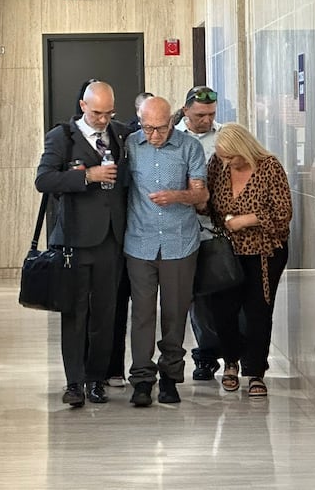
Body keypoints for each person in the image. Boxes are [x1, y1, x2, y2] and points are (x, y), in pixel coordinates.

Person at [35, 81, 130, 408]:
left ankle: (96, 379)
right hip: (74, 240)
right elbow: (43, 180)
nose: (103, 119)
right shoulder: (62, 137)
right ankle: (74, 382)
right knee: (75, 314)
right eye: (97, 112)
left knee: (106, 314)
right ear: (83, 106)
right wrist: (86, 177)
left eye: (109, 112)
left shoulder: (119, 134)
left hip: (110, 239)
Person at [124, 96, 208, 406]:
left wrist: (178, 195)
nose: (154, 135)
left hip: (180, 243)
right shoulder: (131, 145)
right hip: (140, 242)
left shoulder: (190, 147)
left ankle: (170, 377)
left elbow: (202, 194)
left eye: (160, 128)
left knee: (174, 314)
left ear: (172, 121)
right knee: (143, 314)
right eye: (147, 128)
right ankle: (142, 379)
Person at [201, 123, 292, 397]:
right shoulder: (217, 166)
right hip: (226, 253)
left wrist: (245, 221)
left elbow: (283, 213)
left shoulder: (269, 167)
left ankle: (255, 371)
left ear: (244, 149)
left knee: (258, 312)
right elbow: (208, 204)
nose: (227, 162)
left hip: (264, 252)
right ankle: (230, 363)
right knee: (222, 311)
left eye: (232, 157)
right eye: (223, 157)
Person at [174, 86, 225, 382]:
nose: (206, 120)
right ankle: (204, 356)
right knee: (195, 297)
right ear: (186, 111)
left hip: (215, 228)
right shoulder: (174, 137)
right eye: (200, 115)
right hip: (182, 227)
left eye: (211, 114)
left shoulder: (223, 136)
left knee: (219, 291)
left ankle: (225, 352)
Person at [105, 90, 154, 388]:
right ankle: (100, 370)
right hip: (109, 236)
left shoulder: (124, 138)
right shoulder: (129, 142)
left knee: (127, 306)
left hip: (134, 234)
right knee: (107, 306)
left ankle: (118, 369)